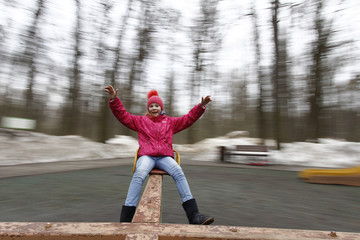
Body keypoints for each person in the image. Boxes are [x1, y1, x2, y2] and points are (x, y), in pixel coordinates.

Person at [104, 85, 214, 225]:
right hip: (147, 156)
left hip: (164, 157)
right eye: (152, 106)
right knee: (140, 173)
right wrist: (114, 100)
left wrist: (201, 106)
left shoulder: (170, 122)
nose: (154, 108)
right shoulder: (141, 121)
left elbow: (188, 119)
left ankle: (194, 215)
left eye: (157, 105)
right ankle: (126, 217)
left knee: (178, 172)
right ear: (148, 108)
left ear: (161, 108)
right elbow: (123, 116)